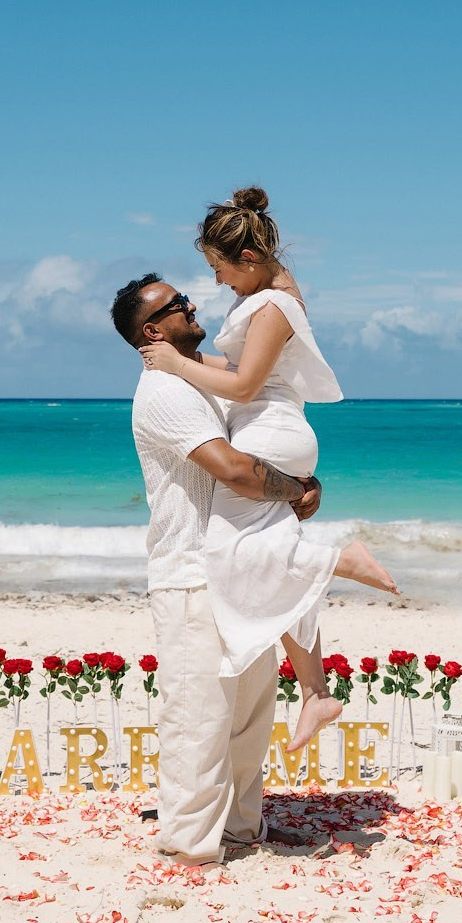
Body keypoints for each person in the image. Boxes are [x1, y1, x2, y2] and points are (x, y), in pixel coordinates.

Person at [140, 186, 398, 756]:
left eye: (219, 268)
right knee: (269, 561)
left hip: (268, 430)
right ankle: (314, 690)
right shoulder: (272, 292)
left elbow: (244, 385)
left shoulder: (275, 304)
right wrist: (175, 361)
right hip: (276, 430)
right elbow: (233, 364)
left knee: (234, 554)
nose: (216, 283)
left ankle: (340, 559)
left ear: (249, 260)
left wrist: (177, 363)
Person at [115, 271, 321, 865]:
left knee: (250, 714)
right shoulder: (164, 391)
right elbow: (232, 468)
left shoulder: (206, 377)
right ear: (152, 331)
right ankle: (187, 845)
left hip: (240, 569)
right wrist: (294, 489)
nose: (190, 304)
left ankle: (239, 828)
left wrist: (297, 483)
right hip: (191, 574)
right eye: (176, 305)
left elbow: (263, 441)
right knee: (198, 715)